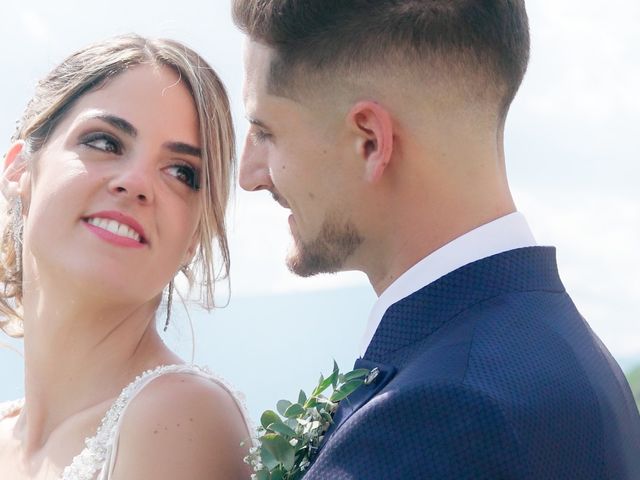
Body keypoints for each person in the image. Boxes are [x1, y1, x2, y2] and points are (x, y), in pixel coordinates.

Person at [232, 1, 640, 478]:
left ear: (369, 142)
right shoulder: (568, 354)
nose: (249, 175)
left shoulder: (435, 413)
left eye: (266, 132)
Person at [0, 35, 251, 479]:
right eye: (104, 142)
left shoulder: (179, 417)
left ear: (194, 236)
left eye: (181, 172)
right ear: (19, 169)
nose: (136, 182)